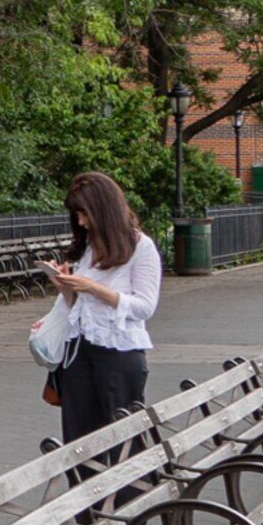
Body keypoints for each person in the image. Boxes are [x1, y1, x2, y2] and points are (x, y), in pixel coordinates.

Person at [45, 170, 161, 442]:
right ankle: (83, 485)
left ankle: (132, 486)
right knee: (79, 440)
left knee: (124, 439)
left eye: (84, 214)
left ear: (103, 210)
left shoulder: (140, 247)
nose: (81, 222)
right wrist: (66, 287)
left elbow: (145, 306)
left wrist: (94, 288)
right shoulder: (88, 249)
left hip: (118, 352)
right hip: (79, 352)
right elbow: (81, 307)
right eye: (77, 215)